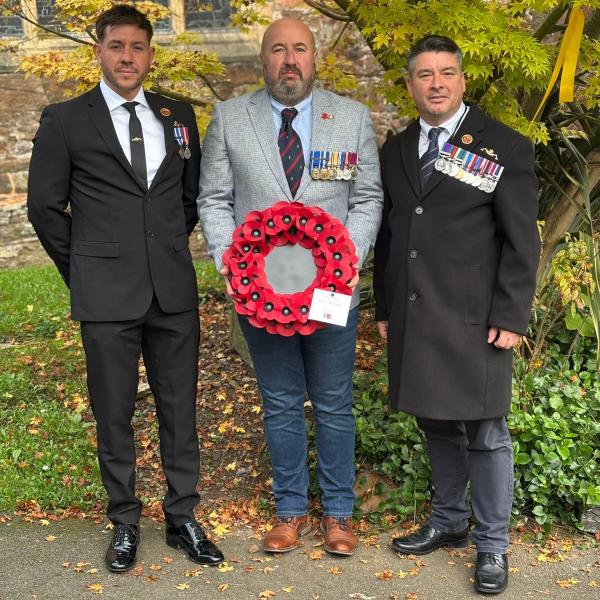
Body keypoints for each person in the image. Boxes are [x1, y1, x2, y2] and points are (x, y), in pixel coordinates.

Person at [27, 4, 224, 573]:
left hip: (172, 291)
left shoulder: (177, 113)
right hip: (105, 294)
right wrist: (86, 268)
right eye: (117, 46)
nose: (127, 57)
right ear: (99, 52)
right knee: (114, 413)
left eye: (138, 48)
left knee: (179, 408)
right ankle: (125, 521)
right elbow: (44, 206)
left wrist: (161, 250)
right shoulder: (65, 120)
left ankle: (183, 515)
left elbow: (189, 194)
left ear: (150, 54)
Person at [198, 18, 383, 556]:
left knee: (332, 401)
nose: (289, 60)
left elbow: (367, 198)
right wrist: (230, 265)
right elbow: (213, 199)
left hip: (331, 290)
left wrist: (347, 261)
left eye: (299, 48)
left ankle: (340, 516)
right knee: (279, 401)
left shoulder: (350, 118)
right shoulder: (230, 119)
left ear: (315, 57)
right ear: (263, 58)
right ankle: (289, 511)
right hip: (262, 294)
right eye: (278, 49)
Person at [374, 35, 539, 594]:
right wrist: (384, 305)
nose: (436, 83)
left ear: (463, 80)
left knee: (486, 430)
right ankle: (449, 520)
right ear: (410, 84)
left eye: (447, 73)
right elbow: (390, 234)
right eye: (424, 74)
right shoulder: (396, 149)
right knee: (434, 420)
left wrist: (513, 315)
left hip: (476, 318)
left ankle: (493, 545)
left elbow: (522, 242)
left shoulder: (502, 147)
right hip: (415, 313)